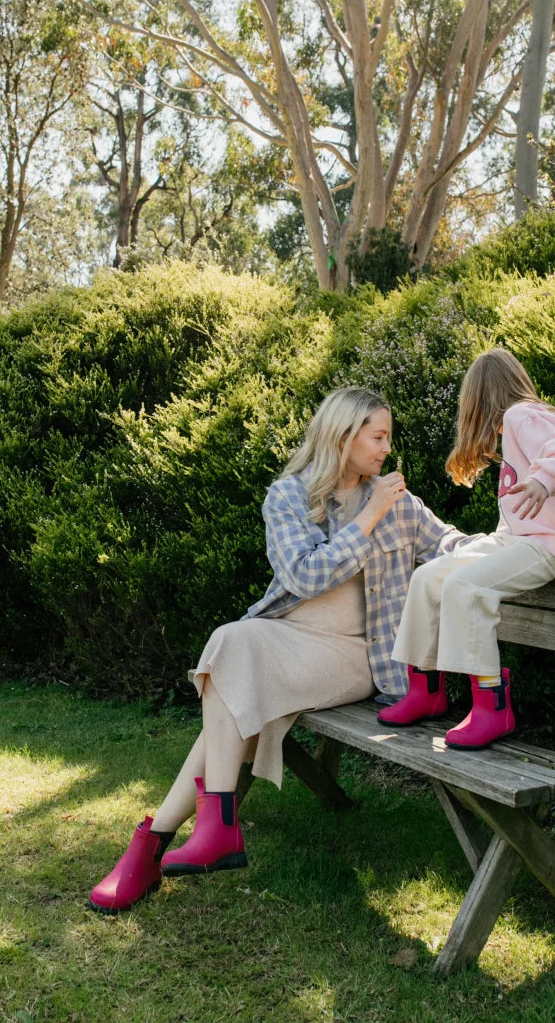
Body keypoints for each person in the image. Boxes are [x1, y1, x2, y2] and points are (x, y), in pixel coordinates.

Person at [89, 387, 470, 912]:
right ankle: (194, 831)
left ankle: (161, 842)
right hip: (289, 638)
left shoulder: (397, 503)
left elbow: (452, 544)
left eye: (387, 437)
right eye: (377, 436)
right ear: (343, 435)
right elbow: (306, 575)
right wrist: (368, 517)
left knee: (230, 669)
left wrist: (533, 536)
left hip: (360, 656)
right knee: (231, 650)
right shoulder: (289, 496)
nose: (387, 449)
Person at [381, 347, 555, 749]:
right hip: (518, 539)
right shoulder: (523, 424)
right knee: (426, 577)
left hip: (546, 546)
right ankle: (426, 690)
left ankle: (492, 707)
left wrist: (543, 482)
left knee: (466, 587)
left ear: (481, 398)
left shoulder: (520, 415)